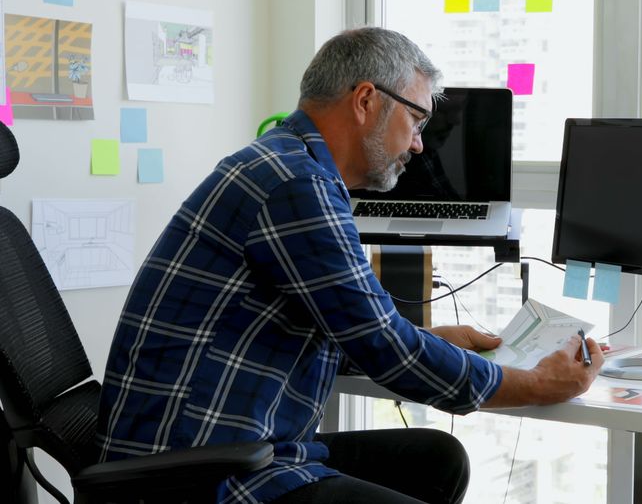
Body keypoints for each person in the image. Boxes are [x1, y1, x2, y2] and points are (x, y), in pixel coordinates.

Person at [96, 27, 604, 504]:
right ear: (365, 101)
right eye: (417, 120)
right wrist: (535, 385)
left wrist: (436, 338)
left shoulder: (290, 165)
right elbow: (385, 347)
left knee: (438, 459)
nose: (419, 144)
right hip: (205, 471)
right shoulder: (295, 184)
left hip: (248, 442)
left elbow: (347, 332)